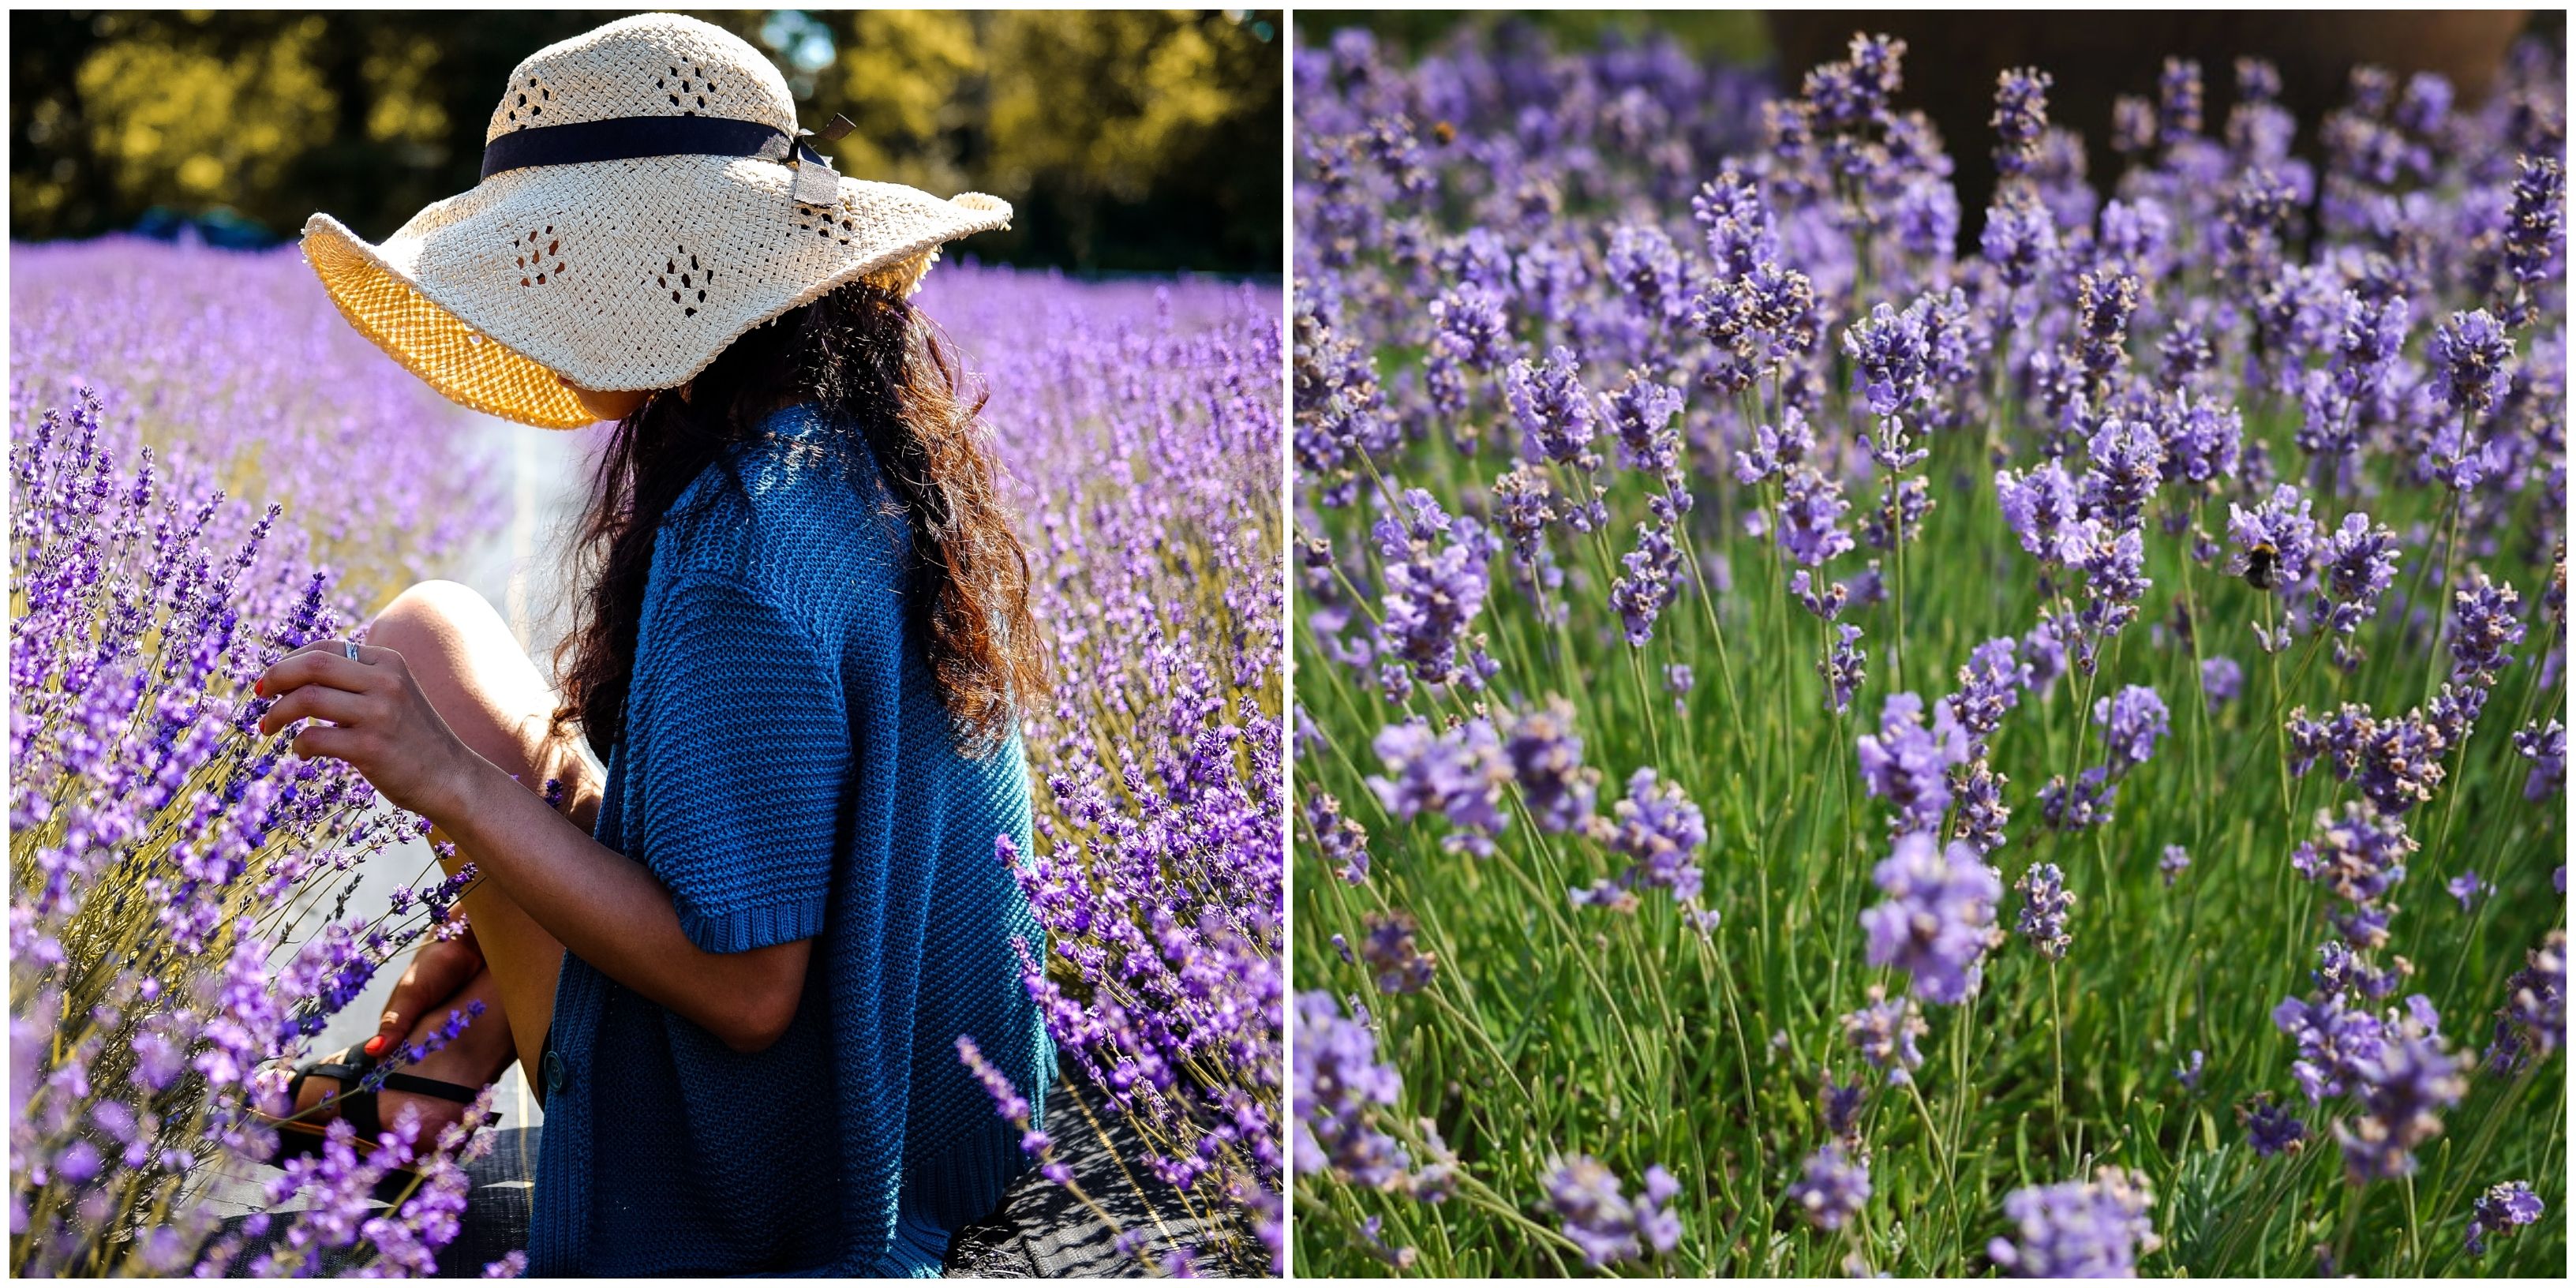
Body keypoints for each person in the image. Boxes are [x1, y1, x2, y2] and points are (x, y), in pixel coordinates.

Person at [252, 13, 1054, 1275]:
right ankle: (444, 1062)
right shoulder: (856, 451)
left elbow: (748, 993)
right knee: (432, 635)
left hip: (787, 1171)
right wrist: (488, 928)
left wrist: (449, 786)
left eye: (546, 262)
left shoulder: (742, 549)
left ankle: (425, 1081)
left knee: (429, 696)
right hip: (945, 1105)